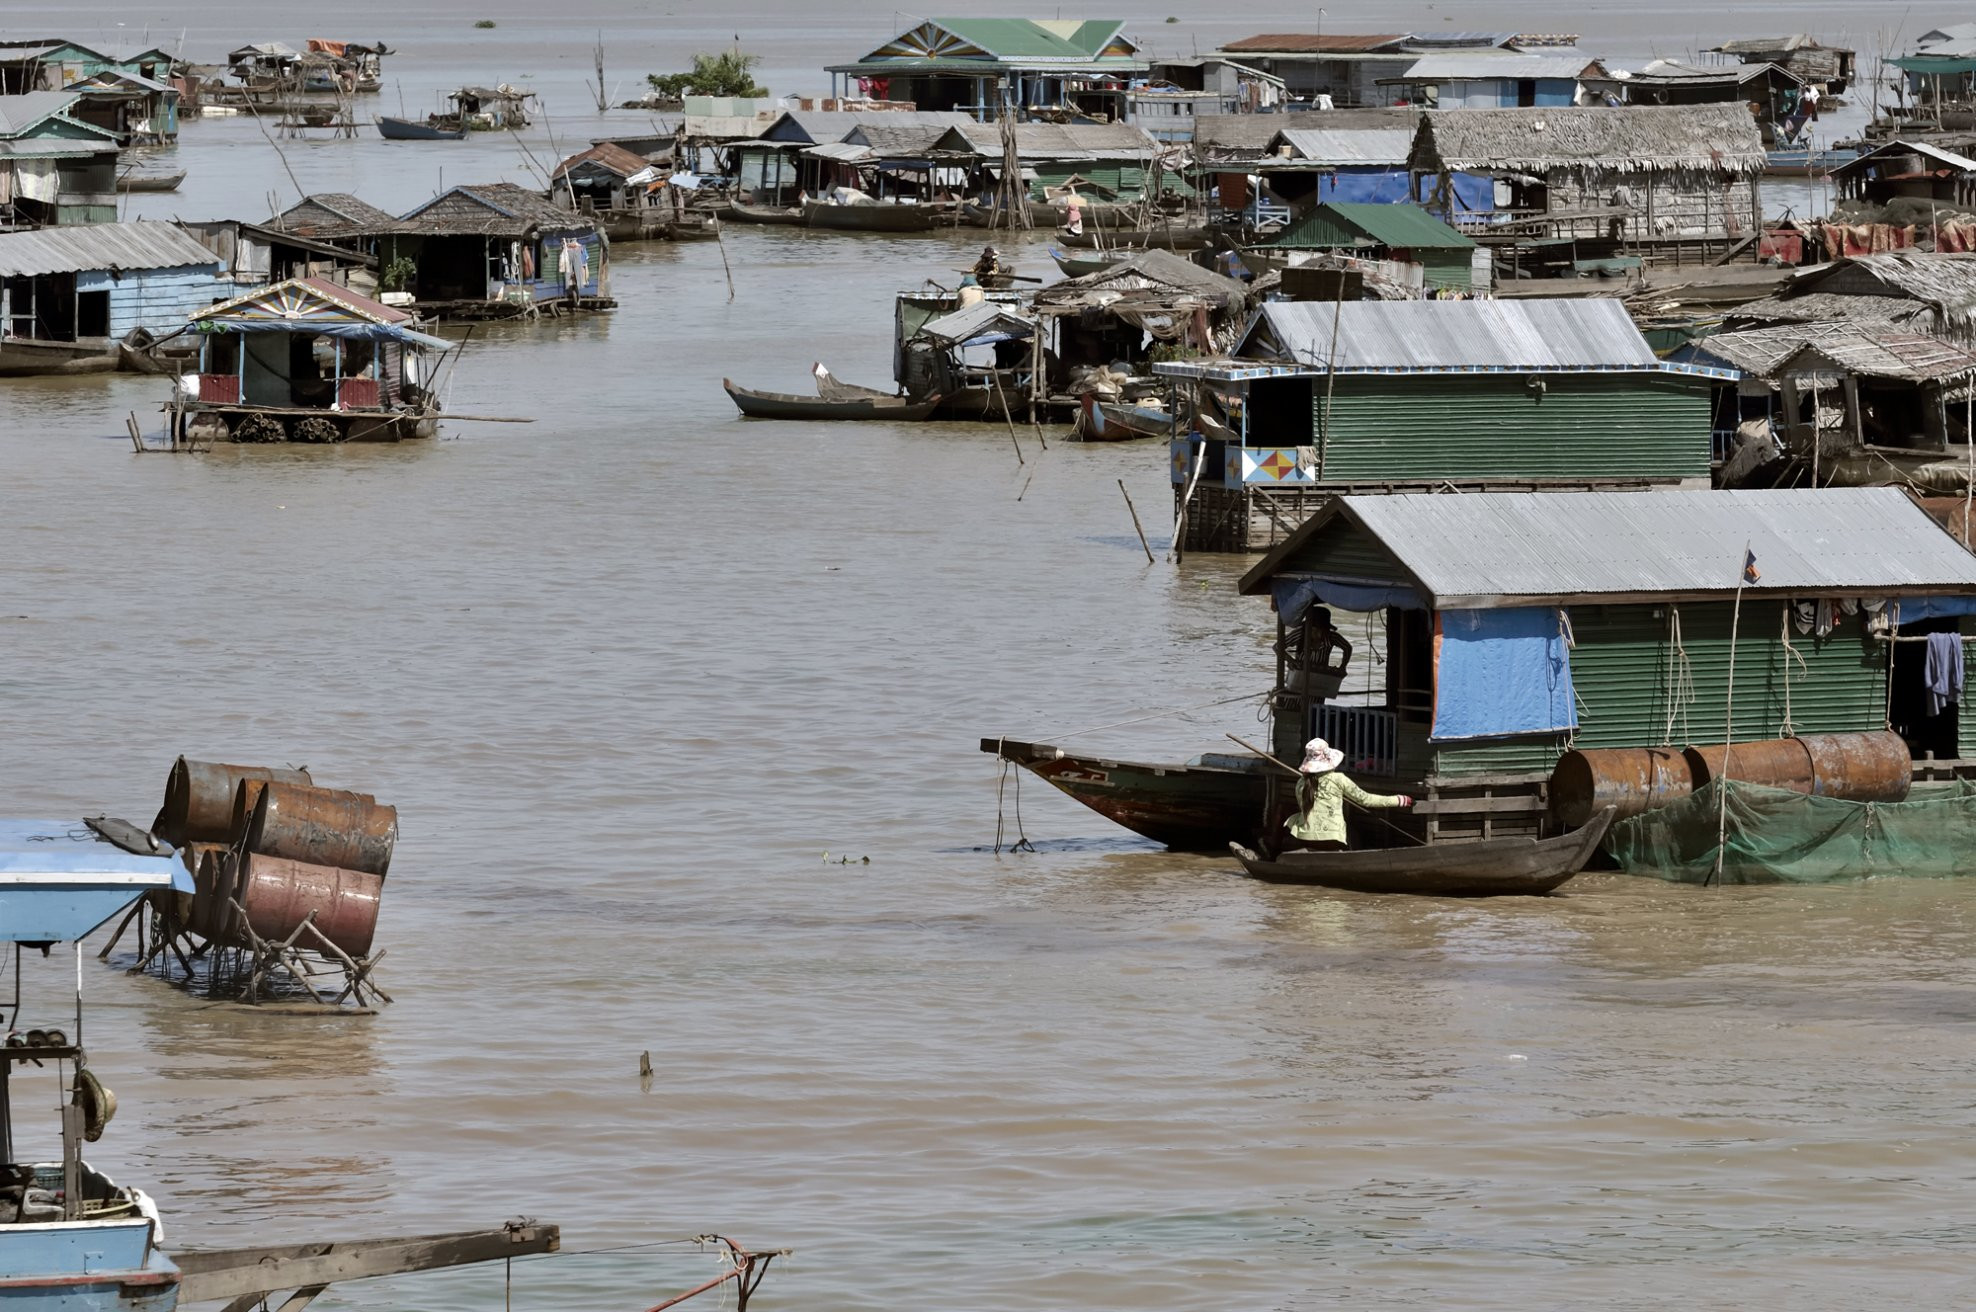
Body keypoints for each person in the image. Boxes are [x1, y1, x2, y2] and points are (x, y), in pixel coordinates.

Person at [1281, 737, 1412, 853]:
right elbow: (1366, 799)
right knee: (1352, 833)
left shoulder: (1300, 782)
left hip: (1305, 837)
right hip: (1333, 839)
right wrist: (1399, 800)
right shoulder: (1338, 779)